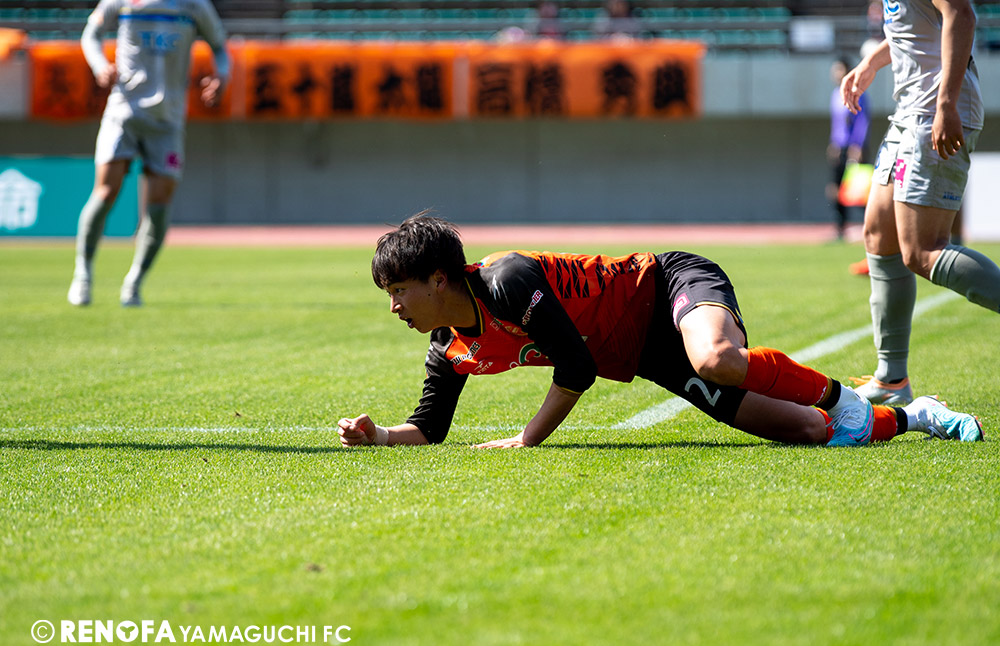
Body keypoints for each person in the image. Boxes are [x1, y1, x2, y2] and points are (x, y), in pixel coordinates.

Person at [338, 213, 983, 449]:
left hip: (669, 284)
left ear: (440, 279)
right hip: (646, 353)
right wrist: (381, 436)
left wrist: (528, 439)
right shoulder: (449, 347)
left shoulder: (505, 280)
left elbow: (577, 367)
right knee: (809, 433)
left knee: (717, 358)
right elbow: (430, 427)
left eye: (399, 290)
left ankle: (845, 401)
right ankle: (914, 416)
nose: (393, 306)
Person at [841, 0, 999, 406]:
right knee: (879, 237)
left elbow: (961, 14)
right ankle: (891, 380)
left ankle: (892, 378)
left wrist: (947, 102)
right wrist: (872, 63)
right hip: (908, 115)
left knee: (923, 251)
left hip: (934, 112)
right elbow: (913, 30)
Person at [67, 0, 229, 307]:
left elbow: (220, 46)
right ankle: (83, 273)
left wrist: (222, 75)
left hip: (168, 120)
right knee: (105, 191)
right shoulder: (122, 2)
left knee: (159, 203)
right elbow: (91, 33)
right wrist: (100, 66)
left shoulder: (194, 5)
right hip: (124, 112)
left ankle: (135, 281)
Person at [827, 57, 870, 241]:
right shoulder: (834, 95)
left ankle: (872, 227)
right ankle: (840, 228)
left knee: (859, 191)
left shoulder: (857, 93)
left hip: (854, 149)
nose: (836, 73)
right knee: (836, 189)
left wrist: (857, 145)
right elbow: (837, 124)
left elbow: (862, 121)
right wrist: (834, 143)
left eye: (839, 70)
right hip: (839, 148)